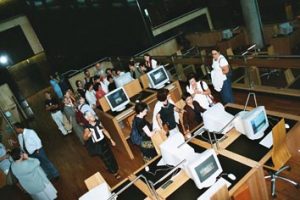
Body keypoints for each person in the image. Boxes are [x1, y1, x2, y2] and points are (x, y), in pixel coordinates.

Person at [83, 111, 121, 179]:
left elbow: (104, 131)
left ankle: (115, 167)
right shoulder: (87, 128)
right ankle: (114, 172)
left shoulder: (98, 122)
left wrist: (111, 139)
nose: (93, 116)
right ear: (87, 119)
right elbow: (84, 138)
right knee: (105, 158)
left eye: (93, 115)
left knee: (110, 155)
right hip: (98, 144)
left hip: (104, 141)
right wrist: (88, 136)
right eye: (91, 116)